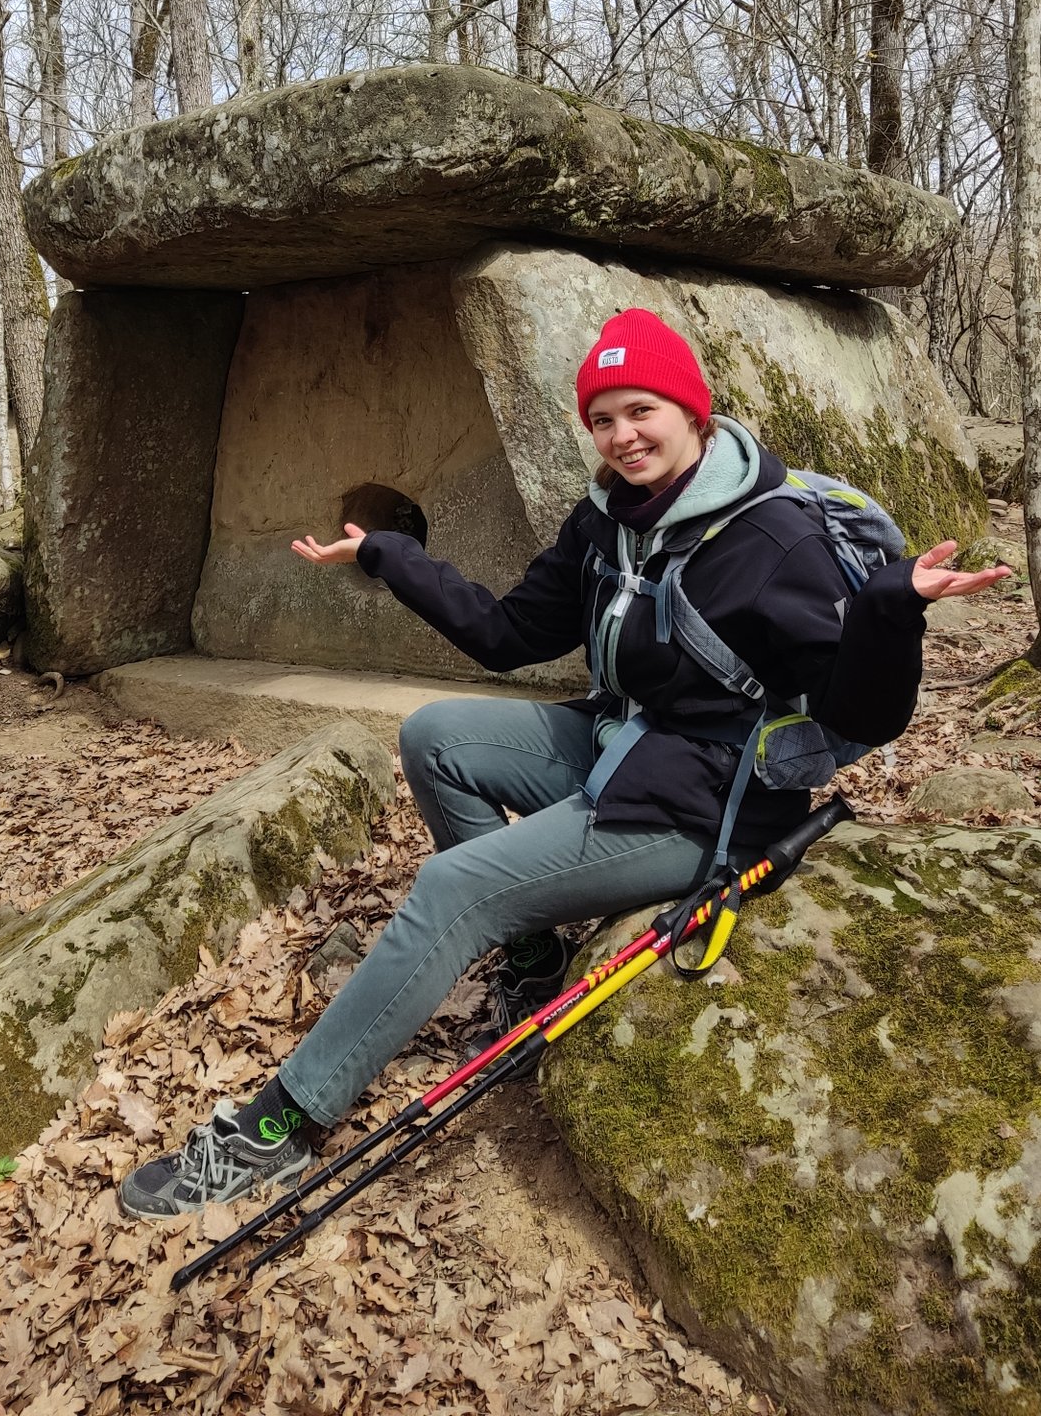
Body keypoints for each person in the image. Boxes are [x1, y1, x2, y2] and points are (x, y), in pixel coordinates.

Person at [119, 308, 1009, 1219]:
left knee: (455, 889)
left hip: (710, 804)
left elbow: (860, 715)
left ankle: (280, 1126)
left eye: (642, 410)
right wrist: (392, 555)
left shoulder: (774, 540)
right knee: (435, 737)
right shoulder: (609, 521)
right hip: (626, 744)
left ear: (694, 411)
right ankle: (534, 958)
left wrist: (890, 610)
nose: (624, 436)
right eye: (603, 418)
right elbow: (508, 635)